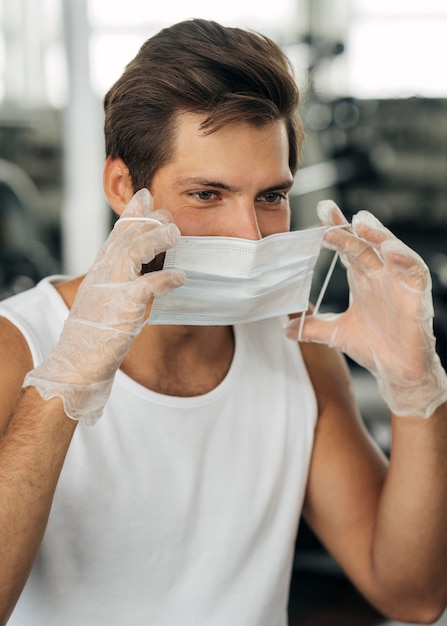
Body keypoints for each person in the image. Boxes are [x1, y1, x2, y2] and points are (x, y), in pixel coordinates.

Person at [0, 18, 446, 626]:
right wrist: (65, 382)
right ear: (122, 186)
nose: (250, 234)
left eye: (270, 196)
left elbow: (413, 595)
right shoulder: (16, 350)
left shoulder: (295, 348)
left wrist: (418, 388)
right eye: (207, 194)